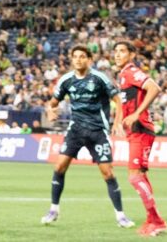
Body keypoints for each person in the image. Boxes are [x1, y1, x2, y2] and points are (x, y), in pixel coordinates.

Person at [41, 46, 134, 228]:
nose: (78, 60)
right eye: (75, 56)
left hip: (97, 131)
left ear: (89, 59)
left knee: (108, 173)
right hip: (75, 130)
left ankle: (121, 216)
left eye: (82, 57)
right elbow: (52, 103)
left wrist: (117, 121)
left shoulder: (99, 78)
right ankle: (53, 209)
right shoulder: (66, 80)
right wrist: (50, 111)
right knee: (59, 167)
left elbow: (117, 99)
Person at [114, 41, 167, 236]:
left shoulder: (130, 71)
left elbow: (154, 87)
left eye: (122, 51)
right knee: (141, 176)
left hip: (141, 129)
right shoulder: (122, 75)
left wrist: (137, 113)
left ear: (131, 54)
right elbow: (125, 102)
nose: (118, 55)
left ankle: (157, 220)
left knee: (134, 176)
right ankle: (152, 218)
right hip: (136, 130)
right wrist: (118, 121)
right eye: (116, 51)